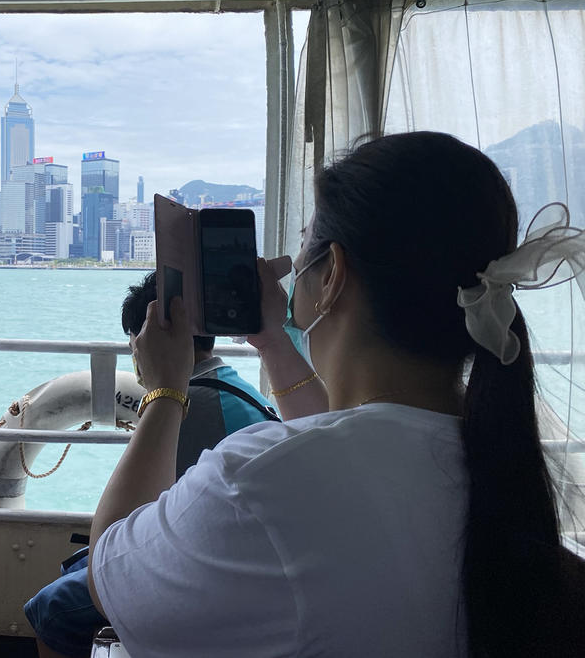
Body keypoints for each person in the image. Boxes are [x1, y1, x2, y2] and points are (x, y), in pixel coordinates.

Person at [86, 132, 585, 657]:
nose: (292, 268)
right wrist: (273, 340)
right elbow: (351, 443)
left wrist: (165, 389)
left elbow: (110, 574)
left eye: (304, 249)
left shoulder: (255, 482)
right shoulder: (494, 465)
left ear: (333, 276)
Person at [25, 271, 278, 658]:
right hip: (241, 560)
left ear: (145, 343)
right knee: (71, 568)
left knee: (50, 609)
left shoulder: (185, 409)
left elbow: (130, 534)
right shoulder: (239, 390)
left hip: (206, 577)